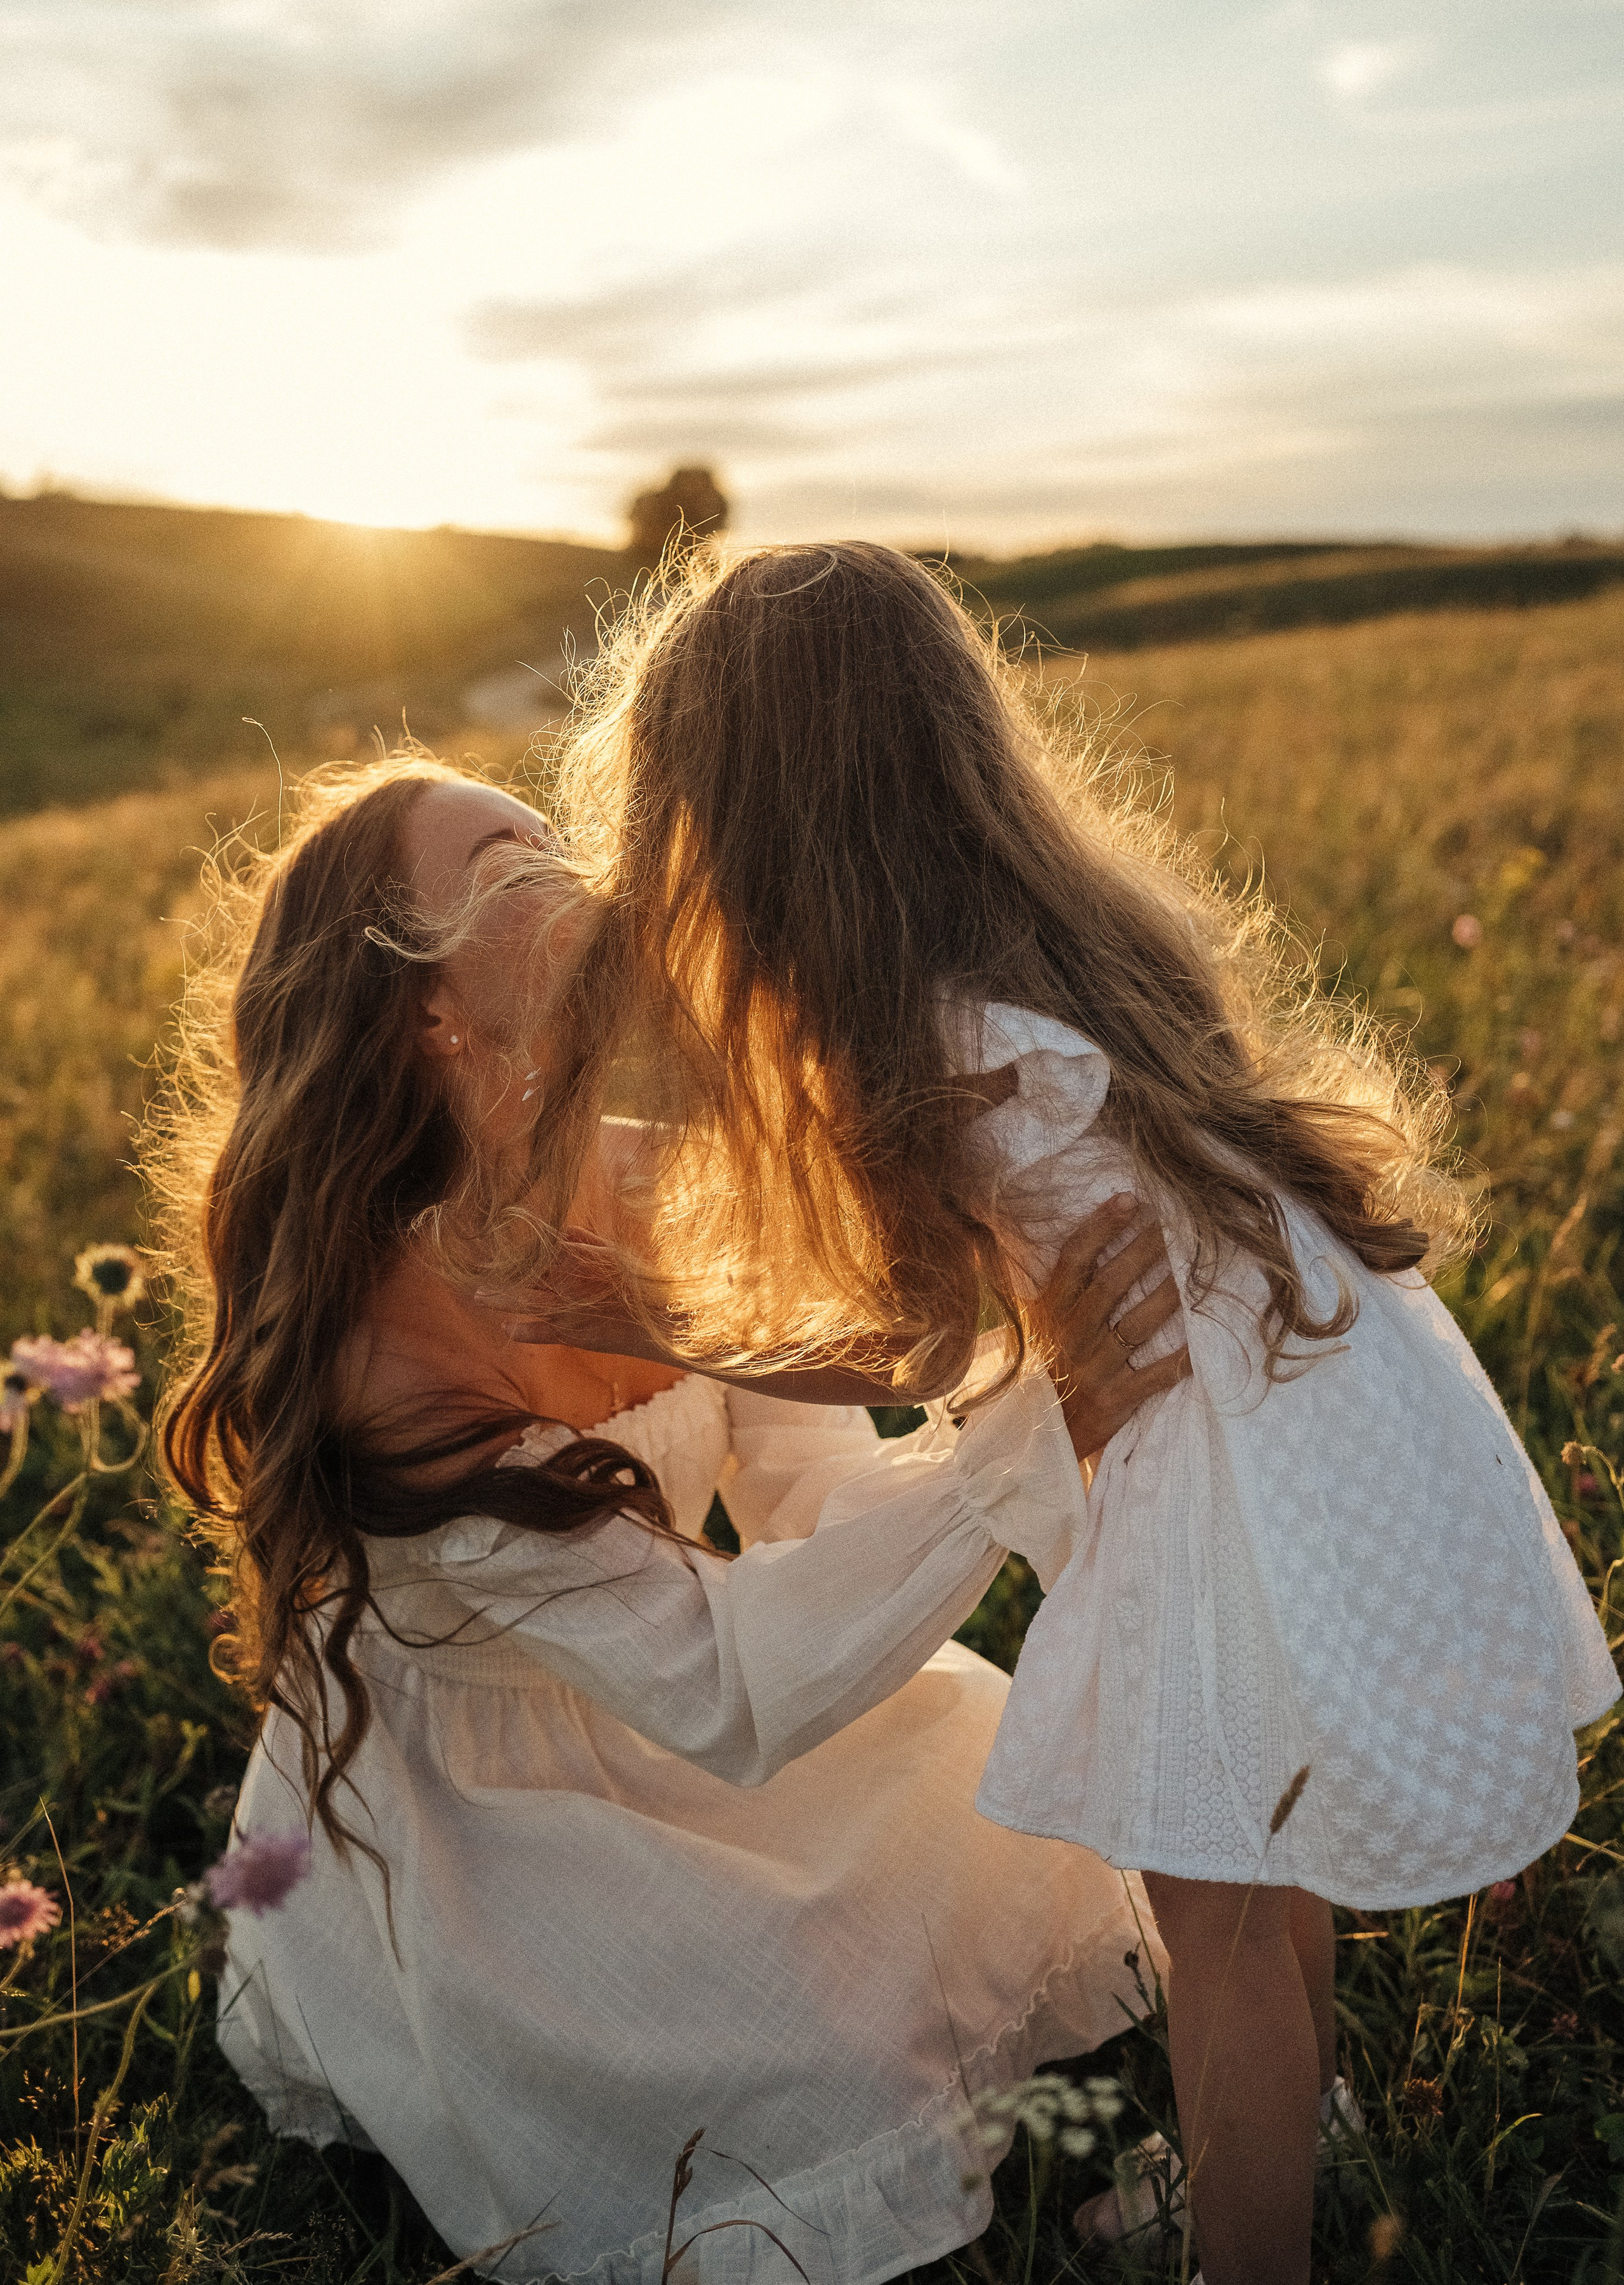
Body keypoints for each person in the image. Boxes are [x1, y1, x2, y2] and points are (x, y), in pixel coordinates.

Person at [514, 541, 1621, 2285]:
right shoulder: (1063, 947)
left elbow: (909, 1341)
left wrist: (644, 1310)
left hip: (1216, 1463)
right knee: (1270, 1846)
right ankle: (1282, 2153)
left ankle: (1243, 2251)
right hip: (1317, 1404)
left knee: (1216, 1919)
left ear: (759, 832)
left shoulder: (934, 1038)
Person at [149, 753, 1187, 2285]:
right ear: (421, 1004)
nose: (575, 879)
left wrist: (982, 1451)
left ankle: (1141, 2145)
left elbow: (804, 1470)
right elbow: (713, 1685)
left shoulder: (637, 1176)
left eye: (552, 841)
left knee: (1011, 1799)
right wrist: (1020, 1436)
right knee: (800, 2056)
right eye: (509, 871)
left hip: (703, 1694)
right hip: (496, 1819)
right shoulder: (380, 1346)